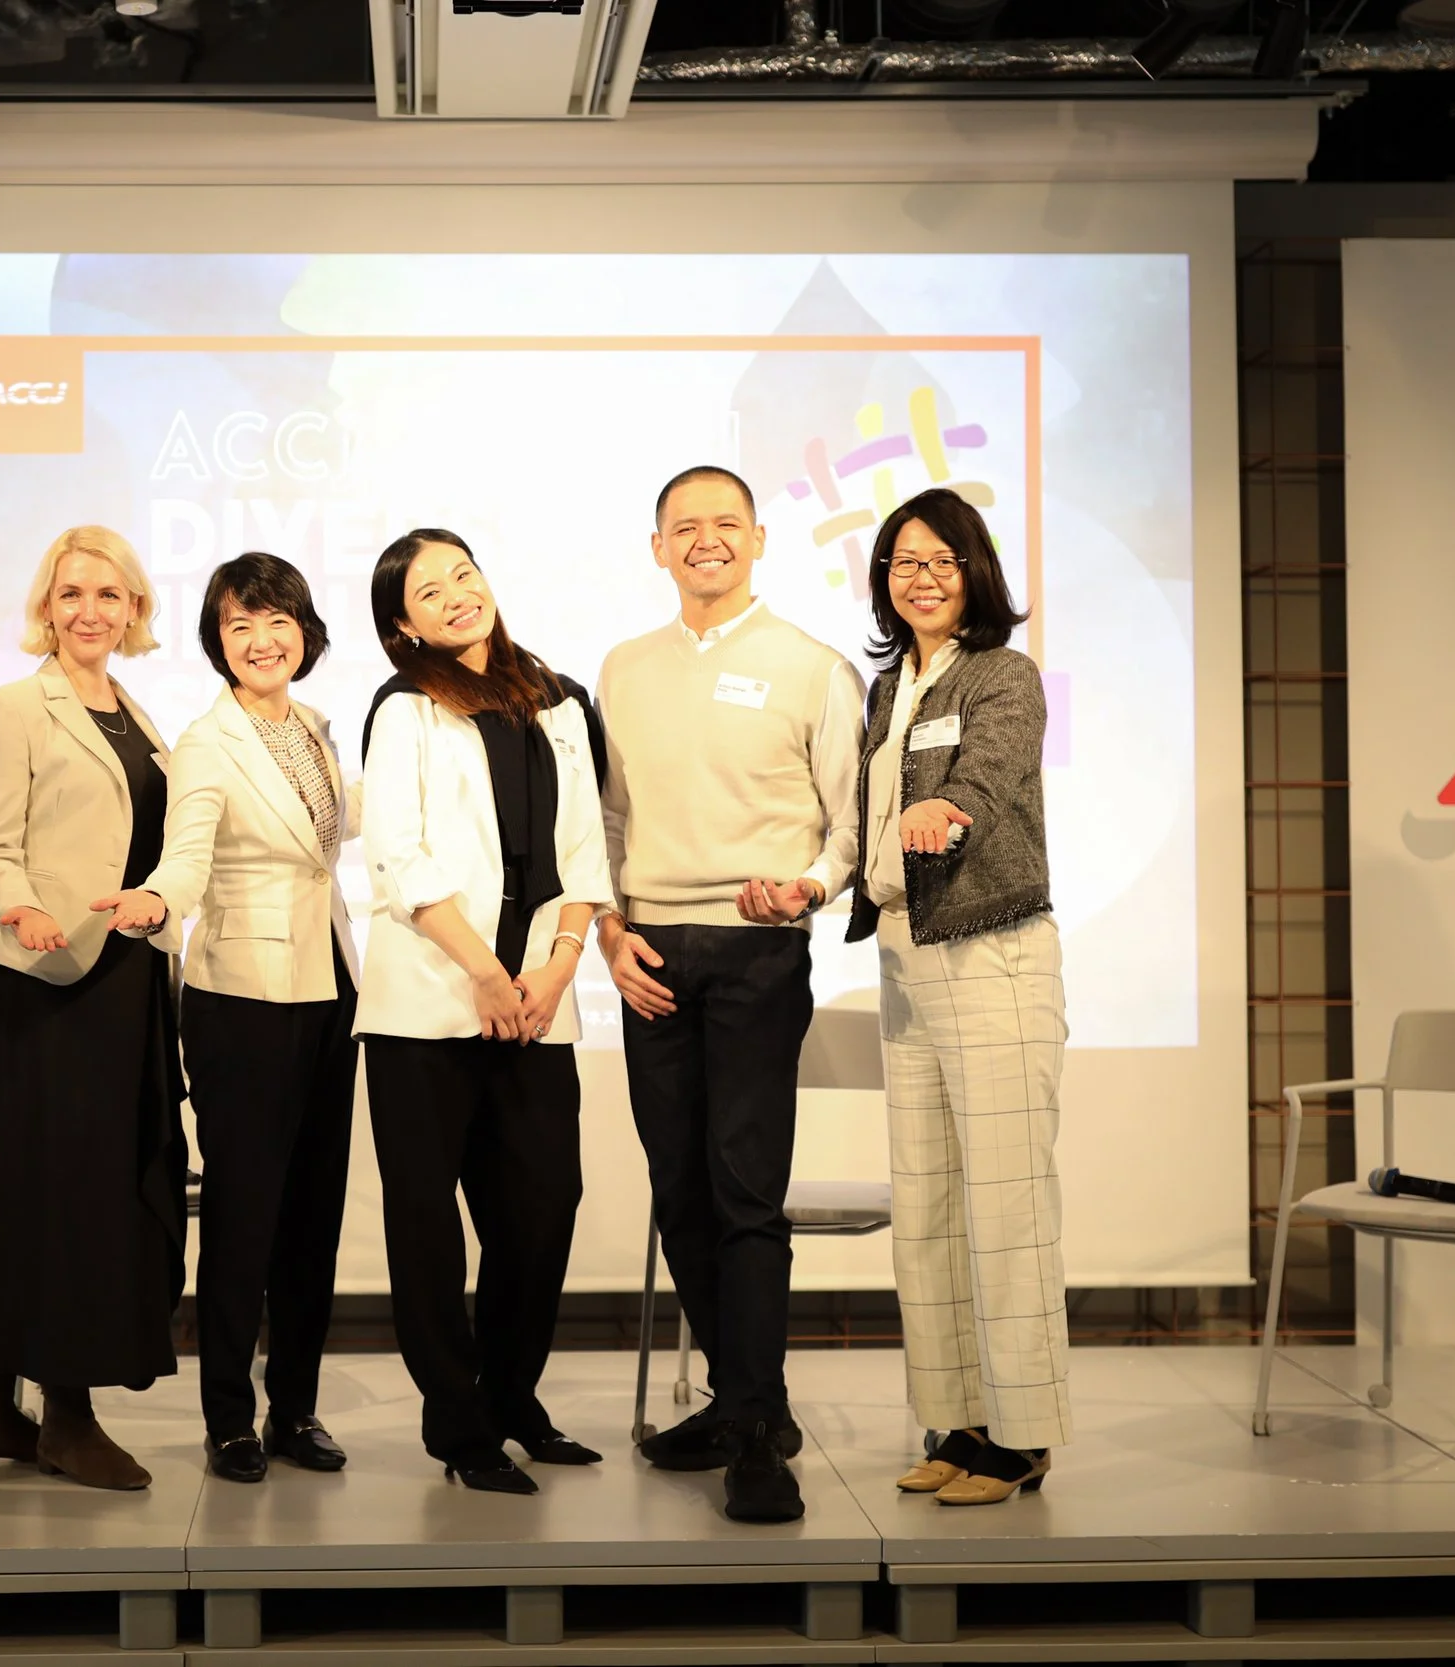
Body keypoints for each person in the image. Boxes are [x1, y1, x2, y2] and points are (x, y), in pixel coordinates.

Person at [598, 465, 864, 1525]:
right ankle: (744, 1399)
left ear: (757, 539)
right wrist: (609, 930)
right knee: (678, 1190)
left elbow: (850, 822)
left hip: (758, 951)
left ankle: (753, 1432)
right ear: (657, 547)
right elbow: (606, 821)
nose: (705, 540)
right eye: (684, 526)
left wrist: (809, 887)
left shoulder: (812, 666)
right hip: (649, 953)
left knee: (744, 1193)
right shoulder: (622, 668)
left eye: (725, 524)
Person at [91, 553, 361, 1485]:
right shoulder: (207, 743)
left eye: (277, 619)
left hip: (331, 986)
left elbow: (335, 840)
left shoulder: (316, 726)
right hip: (242, 998)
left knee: (314, 1214)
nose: (261, 639)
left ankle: (296, 1408)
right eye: (239, 624)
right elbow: (189, 852)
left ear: (305, 631)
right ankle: (229, 1419)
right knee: (246, 1217)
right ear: (217, 641)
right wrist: (155, 900)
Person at [354, 529, 613, 1495]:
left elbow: (583, 851)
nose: (458, 594)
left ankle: (512, 1398)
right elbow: (399, 857)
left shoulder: (557, 698)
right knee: (428, 1227)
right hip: (429, 1008)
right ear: (403, 626)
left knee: (543, 1208)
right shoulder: (405, 708)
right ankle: (459, 1426)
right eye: (430, 590)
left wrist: (555, 969)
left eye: (464, 573)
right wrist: (486, 972)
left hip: (537, 1001)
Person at [0, 525, 187, 1493]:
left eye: (110, 594)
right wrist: (20, 908)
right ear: (46, 606)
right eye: (72, 592)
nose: (90, 610)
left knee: (94, 1191)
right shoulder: (15, 707)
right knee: (50, 1198)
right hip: (48, 984)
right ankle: (64, 1416)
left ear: (135, 609)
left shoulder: (140, 716)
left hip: (127, 984)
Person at [844, 487, 1070, 1506]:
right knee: (927, 1204)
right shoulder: (887, 686)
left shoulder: (1001, 675)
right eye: (903, 562)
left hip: (991, 950)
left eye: (941, 560)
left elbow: (987, 777)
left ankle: (1023, 1438)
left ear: (975, 571)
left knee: (1006, 1203)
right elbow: (864, 816)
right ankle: (959, 1421)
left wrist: (944, 806)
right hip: (904, 952)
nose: (922, 577)